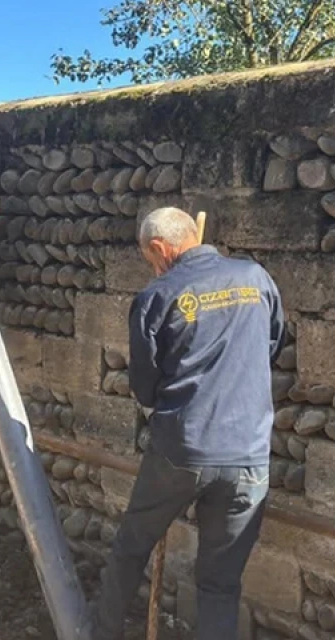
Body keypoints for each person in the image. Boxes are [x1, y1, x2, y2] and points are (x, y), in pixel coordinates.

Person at [92, 207, 285, 640]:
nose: (152, 266)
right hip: (249, 456)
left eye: (149, 257)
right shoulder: (256, 278)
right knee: (219, 584)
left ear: (159, 248)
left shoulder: (157, 297)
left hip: (183, 450)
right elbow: (272, 343)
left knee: (130, 550)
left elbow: (146, 387)